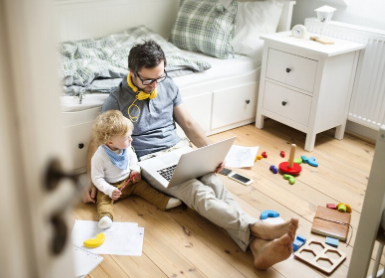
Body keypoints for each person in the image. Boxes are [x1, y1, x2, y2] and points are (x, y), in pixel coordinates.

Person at [83, 40, 299, 269]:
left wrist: (211, 153)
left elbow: (188, 123)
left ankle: (256, 247)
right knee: (198, 193)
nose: (154, 84)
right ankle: (254, 228)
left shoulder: (168, 85)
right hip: (149, 162)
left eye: (159, 77)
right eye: (148, 80)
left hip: (181, 151)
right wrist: (91, 180)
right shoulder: (116, 99)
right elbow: (95, 142)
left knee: (215, 185)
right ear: (132, 73)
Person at [91, 110, 181, 229]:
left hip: (130, 182)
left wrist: (135, 170)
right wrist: (109, 190)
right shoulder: (99, 156)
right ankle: (105, 217)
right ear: (110, 141)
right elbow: (97, 178)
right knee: (103, 201)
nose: (130, 140)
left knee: (146, 188)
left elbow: (133, 160)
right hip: (111, 186)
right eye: (126, 138)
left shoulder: (127, 148)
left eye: (130, 136)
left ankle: (165, 201)